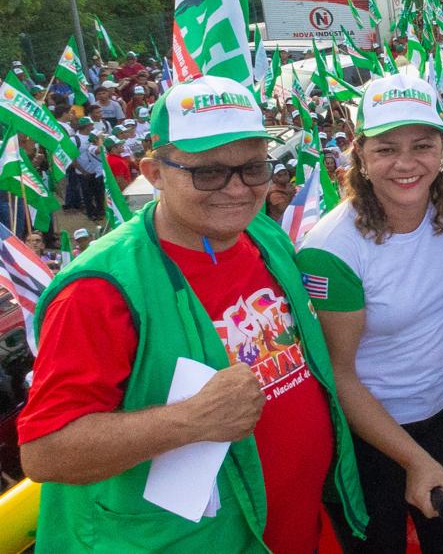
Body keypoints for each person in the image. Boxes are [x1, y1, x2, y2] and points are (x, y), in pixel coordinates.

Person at [17, 75, 367, 552]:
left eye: (253, 168)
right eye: (208, 172)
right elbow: (45, 452)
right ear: (155, 173)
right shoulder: (99, 292)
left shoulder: (263, 236)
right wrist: (191, 421)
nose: (237, 189)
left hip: (299, 529)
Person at [297, 73, 443, 553]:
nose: (406, 163)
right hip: (367, 439)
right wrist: (414, 460)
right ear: (360, 154)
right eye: (385, 148)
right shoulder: (332, 249)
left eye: (421, 146)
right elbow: (340, 374)